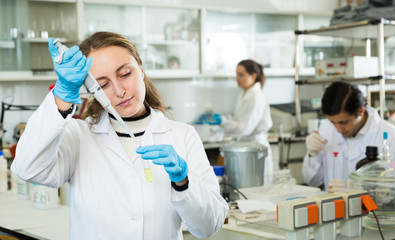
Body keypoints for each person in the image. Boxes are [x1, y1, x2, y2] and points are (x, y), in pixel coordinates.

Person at [11, 32, 228, 239]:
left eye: (125, 74)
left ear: (141, 69)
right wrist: (62, 92)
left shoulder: (183, 136)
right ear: (92, 91)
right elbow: (28, 168)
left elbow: (209, 225)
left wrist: (183, 181)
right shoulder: (79, 136)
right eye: (103, 84)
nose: (119, 90)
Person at [302, 81, 395, 189]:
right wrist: (312, 155)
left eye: (343, 122)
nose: (338, 129)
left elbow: (393, 190)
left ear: (361, 111)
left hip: (370, 205)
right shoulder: (326, 128)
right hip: (332, 203)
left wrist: (360, 188)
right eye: (332, 122)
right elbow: (313, 182)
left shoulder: (390, 136)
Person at [206, 59, 273, 181]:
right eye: (236, 74)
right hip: (246, 148)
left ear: (253, 76)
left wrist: (224, 122)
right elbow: (239, 120)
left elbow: (245, 129)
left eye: (241, 75)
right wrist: (224, 119)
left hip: (257, 149)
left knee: (256, 188)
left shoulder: (256, 97)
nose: (237, 78)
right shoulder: (243, 95)